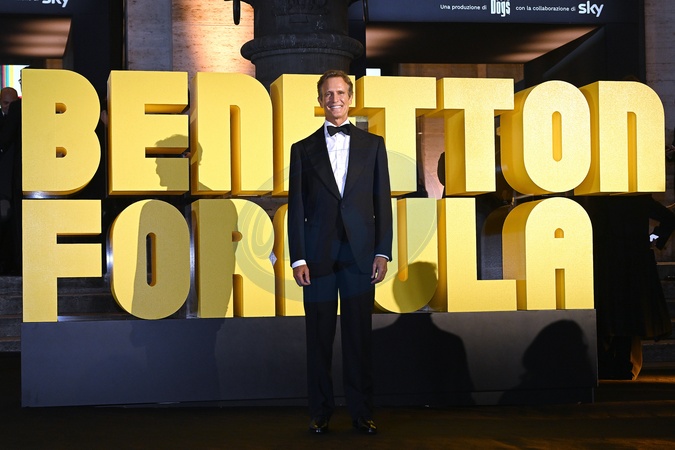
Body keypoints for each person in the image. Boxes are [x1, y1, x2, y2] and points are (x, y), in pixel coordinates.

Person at [287, 70, 393, 435]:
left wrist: (383, 252)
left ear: (351, 97)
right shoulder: (302, 149)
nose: (335, 99)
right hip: (316, 259)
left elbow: (382, 202)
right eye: (328, 94)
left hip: (360, 256)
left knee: (358, 337)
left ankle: (362, 412)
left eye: (340, 92)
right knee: (318, 339)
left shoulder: (373, 145)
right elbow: (297, 206)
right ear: (320, 100)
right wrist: (298, 257)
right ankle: (320, 412)